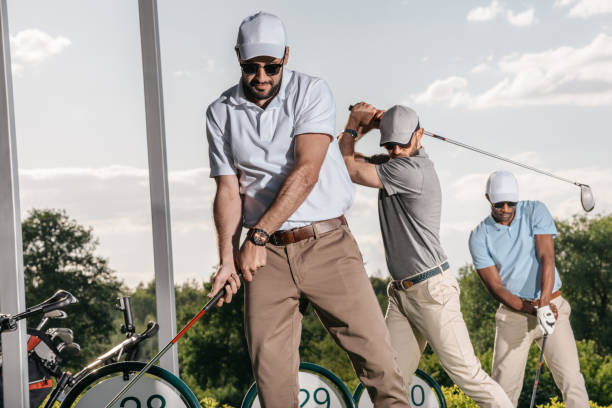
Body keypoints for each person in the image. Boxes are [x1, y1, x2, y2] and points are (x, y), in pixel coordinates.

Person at [205, 12, 410, 408]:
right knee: (273, 385)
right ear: (238, 58)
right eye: (251, 67)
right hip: (266, 261)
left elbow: (308, 169)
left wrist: (257, 235)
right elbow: (228, 191)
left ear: (285, 56)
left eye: (271, 66)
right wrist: (226, 261)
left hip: (327, 245)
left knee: (381, 366)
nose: (261, 76)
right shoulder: (220, 112)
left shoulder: (311, 91)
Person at [339, 103, 513, 408]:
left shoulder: (412, 171)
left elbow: (348, 168)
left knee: (468, 375)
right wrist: (376, 126)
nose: (396, 151)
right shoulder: (395, 163)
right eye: (390, 145)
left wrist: (355, 123)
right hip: (403, 295)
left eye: (403, 143)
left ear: (419, 135)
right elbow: (345, 159)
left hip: (432, 292)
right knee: (388, 381)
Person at [468, 170, 589, 407]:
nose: (505, 208)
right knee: (502, 391)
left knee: (572, 381)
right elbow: (496, 288)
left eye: (510, 203)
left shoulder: (535, 210)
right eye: (499, 203)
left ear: (517, 199)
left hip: (553, 306)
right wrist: (534, 310)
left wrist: (543, 304)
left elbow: (547, 257)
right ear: (487, 198)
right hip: (513, 316)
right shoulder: (479, 236)